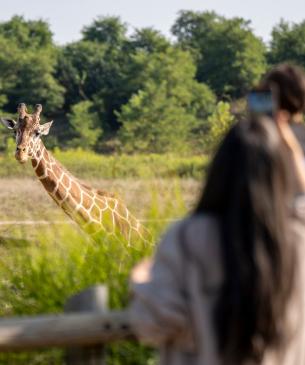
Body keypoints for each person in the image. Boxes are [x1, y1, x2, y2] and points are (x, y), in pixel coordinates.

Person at [128, 115, 305, 365]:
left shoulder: (186, 240)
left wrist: (140, 279)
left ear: (219, 169)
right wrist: (290, 146)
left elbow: (150, 325)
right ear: (281, 174)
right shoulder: (298, 240)